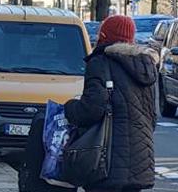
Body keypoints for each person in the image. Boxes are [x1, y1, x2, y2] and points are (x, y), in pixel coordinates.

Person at [64, 15, 157, 192]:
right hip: (140, 162)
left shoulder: (100, 63)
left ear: (104, 36)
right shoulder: (146, 66)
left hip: (106, 160)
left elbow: (91, 110)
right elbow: (152, 118)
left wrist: (69, 108)